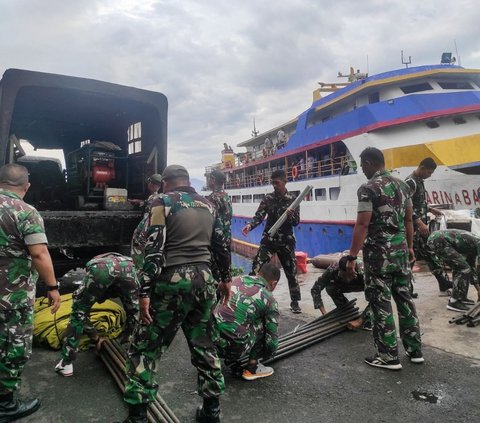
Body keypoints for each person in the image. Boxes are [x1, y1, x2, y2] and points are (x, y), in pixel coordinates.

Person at [118, 165, 231, 423]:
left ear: (166, 182)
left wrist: (144, 291)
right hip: (204, 280)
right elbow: (221, 244)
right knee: (204, 344)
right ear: (188, 181)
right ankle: (211, 412)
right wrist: (225, 279)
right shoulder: (208, 204)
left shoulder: (162, 201)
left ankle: (137, 418)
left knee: (146, 347)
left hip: (171, 280)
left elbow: (154, 249)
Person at [347, 147, 422, 370]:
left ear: (370, 163)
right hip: (400, 254)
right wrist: (410, 248)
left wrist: (352, 257)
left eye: (362, 166)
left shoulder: (368, 188)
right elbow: (409, 221)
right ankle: (415, 350)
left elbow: (362, 224)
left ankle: (388, 356)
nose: (362, 170)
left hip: (378, 257)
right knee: (405, 299)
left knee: (380, 302)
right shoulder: (404, 186)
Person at [0, 164, 61, 421]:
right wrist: (52, 287)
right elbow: (38, 253)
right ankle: (5, 405)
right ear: (27, 186)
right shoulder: (25, 212)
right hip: (11, 295)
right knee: (14, 345)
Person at [55, 253, 139, 377]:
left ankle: (66, 364)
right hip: (129, 268)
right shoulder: (123, 261)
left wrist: (94, 336)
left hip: (101, 269)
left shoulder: (98, 263)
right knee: (134, 312)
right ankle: (130, 347)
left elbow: (81, 311)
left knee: (79, 311)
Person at [241, 169, 302, 313]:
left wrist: (291, 216)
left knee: (291, 272)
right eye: (273, 183)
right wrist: (250, 226)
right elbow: (259, 216)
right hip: (269, 239)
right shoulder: (268, 199)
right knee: (257, 267)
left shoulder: (293, 200)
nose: (274, 185)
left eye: (277, 183)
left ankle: (295, 302)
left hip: (286, 241)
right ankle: (251, 297)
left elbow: (296, 222)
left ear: (284, 182)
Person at [213, 264, 280, 381]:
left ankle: (222, 357)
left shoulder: (238, 280)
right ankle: (252, 367)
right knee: (263, 323)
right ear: (274, 283)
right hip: (234, 349)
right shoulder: (269, 298)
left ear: (258, 273)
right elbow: (272, 343)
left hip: (210, 342)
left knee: (235, 318)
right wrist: (269, 353)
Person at [405, 158, 452, 295]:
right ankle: (406, 288)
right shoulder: (410, 182)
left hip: (421, 227)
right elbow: (405, 207)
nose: (429, 175)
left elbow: (418, 203)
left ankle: (442, 282)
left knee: (430, 253)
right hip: (413, 228)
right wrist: (419, 223)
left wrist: (430, 209)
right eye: (429, 172)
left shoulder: (419, 181)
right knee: (411, 257)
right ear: (422, 167)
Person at [310, 256, 372, 330]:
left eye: (349, 277)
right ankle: (347, 310)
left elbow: (378, 296)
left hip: (361, 284)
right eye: (344, 276)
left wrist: (359, 321)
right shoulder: (332, 269)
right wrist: (324, 314)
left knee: (374, 296)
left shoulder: (364, 271)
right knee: (330, 287)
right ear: (339, 270)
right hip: (344, 285)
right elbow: (316, 289)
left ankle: (370, 317)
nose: (347, 279)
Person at [427, 229, 480, 312]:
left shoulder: (473, 247)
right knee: (464, 269)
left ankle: (460, 297)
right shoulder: (478, 243)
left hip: (438, 239)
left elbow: (472, 268)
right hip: (439, 240)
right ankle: (454, 302)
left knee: (462, 267)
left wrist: (478, 289)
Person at [131, 174, 162, 270]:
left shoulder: (153, 198)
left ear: (151, 184)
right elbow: (147, 202)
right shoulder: (160, 197)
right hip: (155, 229)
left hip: (147, 228)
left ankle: (139, 269)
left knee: (139, 247)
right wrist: (140, 202)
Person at [206, 170, 232, 284]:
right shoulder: (226, 196)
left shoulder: (212, 198)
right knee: (226, 273)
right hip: (227, 241)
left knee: (215, 278)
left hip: (216, 243)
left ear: (213, 180)